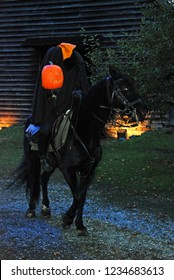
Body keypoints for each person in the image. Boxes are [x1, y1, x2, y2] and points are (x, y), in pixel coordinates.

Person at [26, 42, 90, 171]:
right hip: (54, 106)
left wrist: (81, 94)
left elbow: (82, 81)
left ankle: (88, 155)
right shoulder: (53, 57)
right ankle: (44, 158)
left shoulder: (76, 59)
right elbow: (47, 85)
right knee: (46, 129)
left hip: (73, 102)